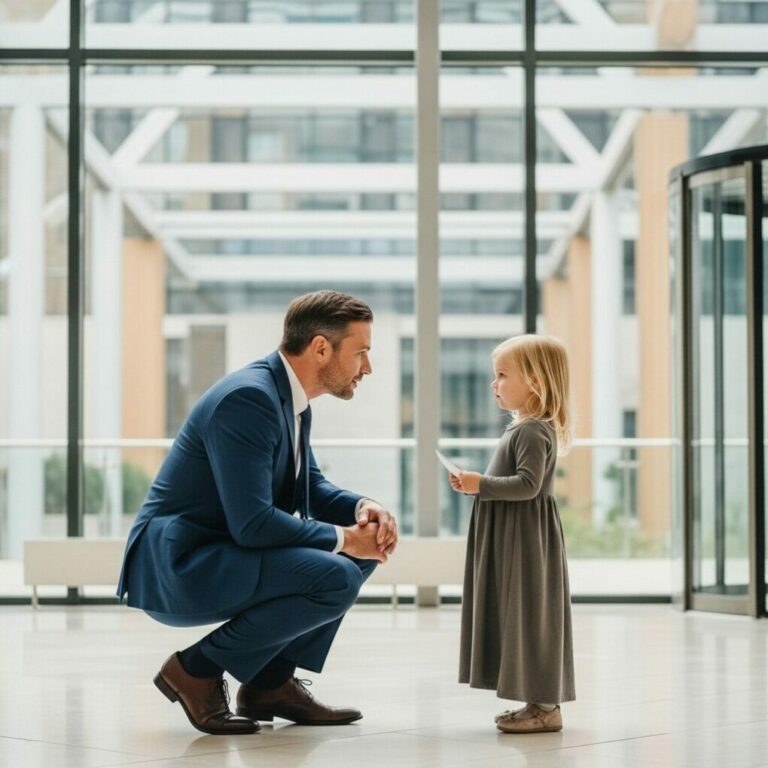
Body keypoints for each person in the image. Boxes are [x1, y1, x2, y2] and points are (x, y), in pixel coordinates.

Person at [116, 290, 398, 735]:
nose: (368, 367)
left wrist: (366, 508)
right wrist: (345, 538)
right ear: (321, 347)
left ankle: (269, 682)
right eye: (361, 352)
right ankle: (194, 670)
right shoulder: (248, 400)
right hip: (182, 564)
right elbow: (252, 524)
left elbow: (312, 486)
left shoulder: (290, 399)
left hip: (223, 551)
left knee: (361, 553)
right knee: (338, 573)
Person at [449, 334, 575, 733]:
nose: (494, 383)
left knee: (531, 616)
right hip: (516, 535)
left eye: (502, 374)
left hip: (524, 538)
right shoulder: (525, 429)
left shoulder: (533, 432)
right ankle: (536, 702)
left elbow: (528, 485)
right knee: (523, 615)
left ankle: (545, 707)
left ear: (535, 381)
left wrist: (480, 484)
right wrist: (477, 484)